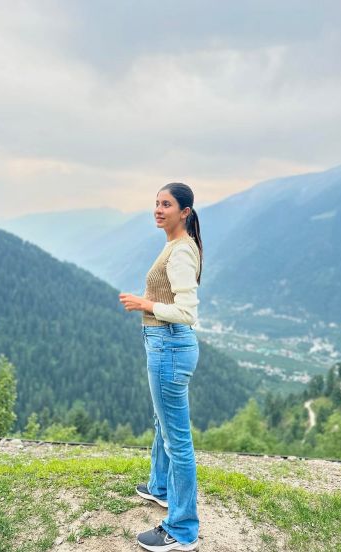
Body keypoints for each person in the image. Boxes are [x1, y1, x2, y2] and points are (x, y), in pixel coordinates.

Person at [119, 182, 203, 552]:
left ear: (184, 211)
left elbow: (187, 313)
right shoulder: (172, 244)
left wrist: (144, 304)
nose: (158, 209)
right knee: (162, 422)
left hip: (170, 344)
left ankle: (182, 530)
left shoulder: (181, 251)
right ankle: (160, 487)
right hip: (163, 345)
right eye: (156, 203)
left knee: (177, 440)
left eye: (166, 204)